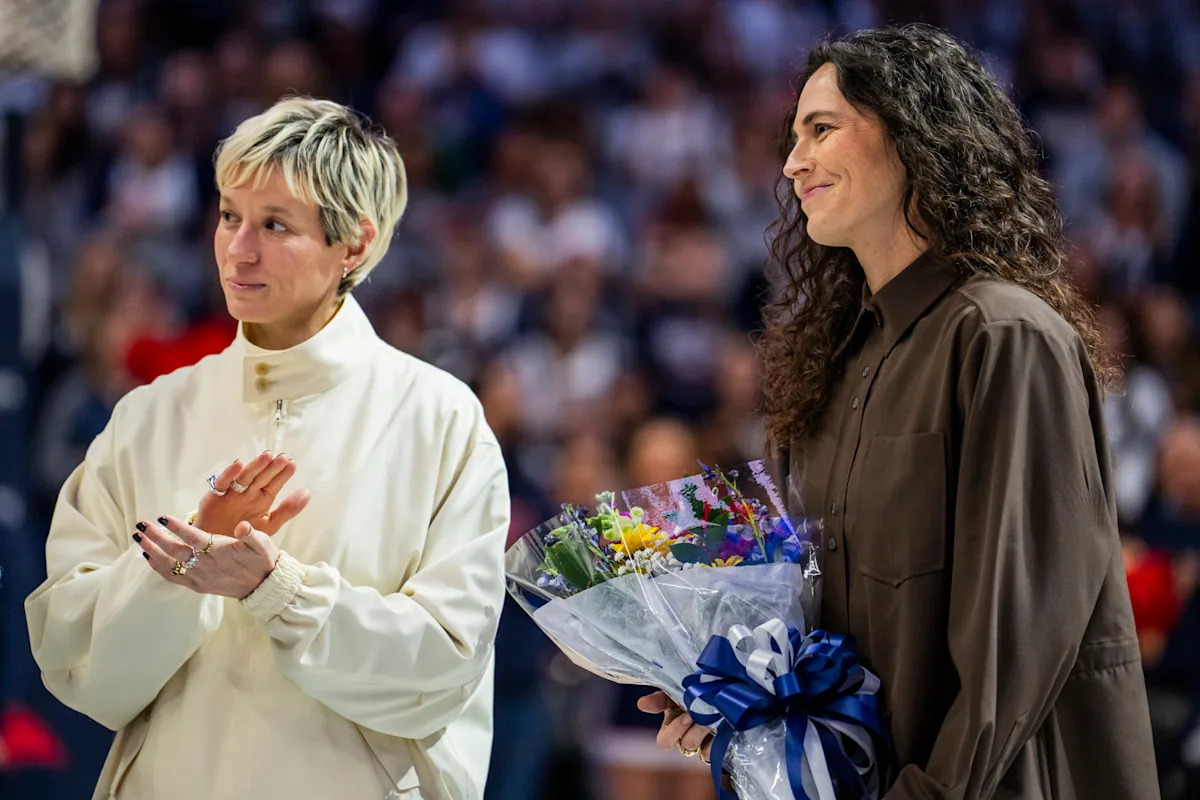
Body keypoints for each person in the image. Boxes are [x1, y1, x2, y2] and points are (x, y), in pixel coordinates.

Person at [640, 24, 1160, 799]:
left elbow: (1016, 648)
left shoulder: (1003, 336)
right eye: (792, 137)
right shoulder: (831, 365)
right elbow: (826, 633)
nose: (792, 162)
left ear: (918, 138)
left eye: (823, 129)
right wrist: (741, 700)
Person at [25, 97, 510, 800]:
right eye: (228, 216)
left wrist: (278, 590)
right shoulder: (148, 416)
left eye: (275, 225)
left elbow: (443, 666)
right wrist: (178, 571)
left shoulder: (439, 420)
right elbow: (77, 666)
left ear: (356, 246)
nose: (237, 250)